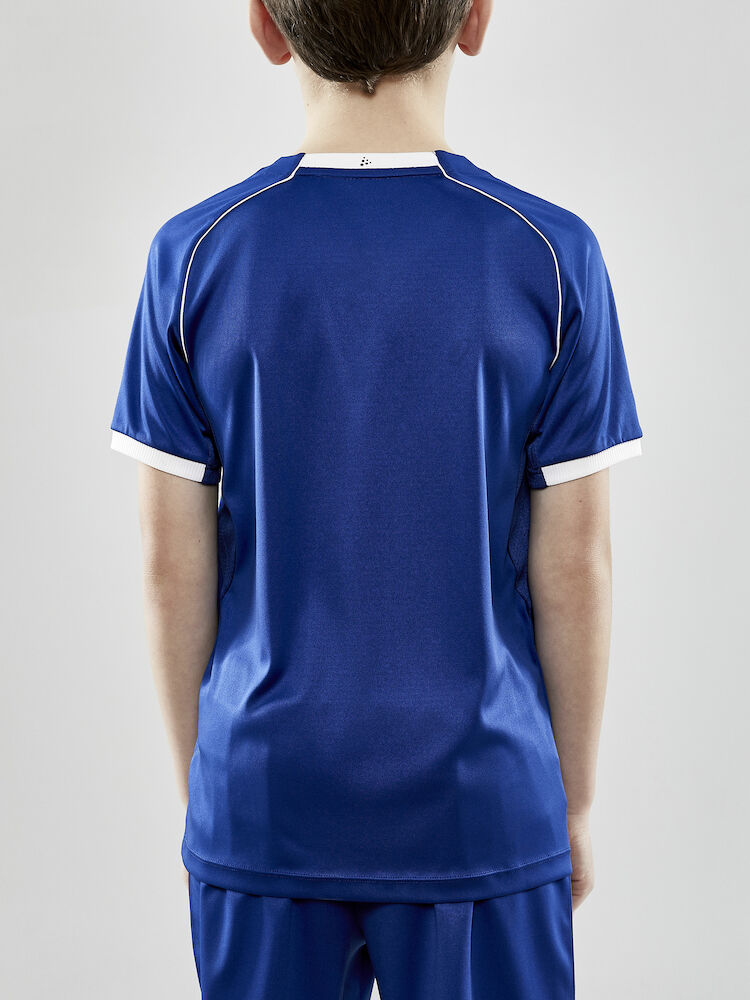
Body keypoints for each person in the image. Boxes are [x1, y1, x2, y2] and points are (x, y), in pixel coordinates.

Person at [109, 0, 643, 996]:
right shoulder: (549, 255)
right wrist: (569, 804)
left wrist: (215, 799)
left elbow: (169, 564)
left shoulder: (194, 255)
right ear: (475, 18)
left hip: (266, 793)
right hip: (481, 799)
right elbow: (575, 566)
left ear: (266, 25)